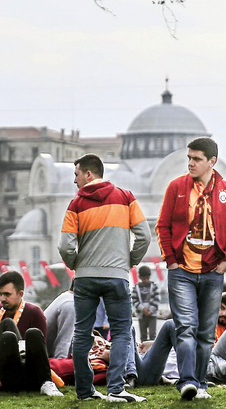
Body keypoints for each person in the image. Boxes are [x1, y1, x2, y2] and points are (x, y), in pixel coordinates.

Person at [59, 153, 151, 402]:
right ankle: (116, 389)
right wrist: (129, 261)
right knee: (122, 332)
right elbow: (144, 236)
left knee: (82, 334)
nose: (74, 181)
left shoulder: (75, 205)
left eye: (76, 174)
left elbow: (66, 246)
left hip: (86, 278)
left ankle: (85, 391)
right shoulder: (126, 197)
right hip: (117, 276)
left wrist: (77, 265)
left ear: (89, 174)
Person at [155, 137, 226, 400]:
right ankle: (187, 381)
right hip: (182, 272)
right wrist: (171, 260)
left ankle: (200, 383)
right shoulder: (176, 187)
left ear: (211, 162)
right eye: (189, 158)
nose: (190, 163)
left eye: (197, 159)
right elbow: (163, 225)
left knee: (205, 332)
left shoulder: (225, 190)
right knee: (186, 328)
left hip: (213, 272)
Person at [0, 270, 62, 398]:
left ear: (20, 294)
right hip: (9, 373)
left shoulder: (35, 312)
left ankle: (47, 383)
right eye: (0, 294)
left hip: (32, 370)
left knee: (34, 333)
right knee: (7, 336)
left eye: (7, 294)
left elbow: (42, 350)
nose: (2, 299)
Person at [44, 282, 76, 359]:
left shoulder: (66, 297)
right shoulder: (71, 305)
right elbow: (63, 344)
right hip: (47, 362)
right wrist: (60, 368)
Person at [132, 265, 161, 342]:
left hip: (152, 315)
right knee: (143, 335)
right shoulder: (136, 288)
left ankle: (153, 351)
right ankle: (143, 351)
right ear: (140, 277)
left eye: (147, 278)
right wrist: (143, 309)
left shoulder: (154, 286)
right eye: (144, 278)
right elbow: (134, 300)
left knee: (152, 334)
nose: (146, 280)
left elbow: (157, 299)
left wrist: (150, 310)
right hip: (141, 315)